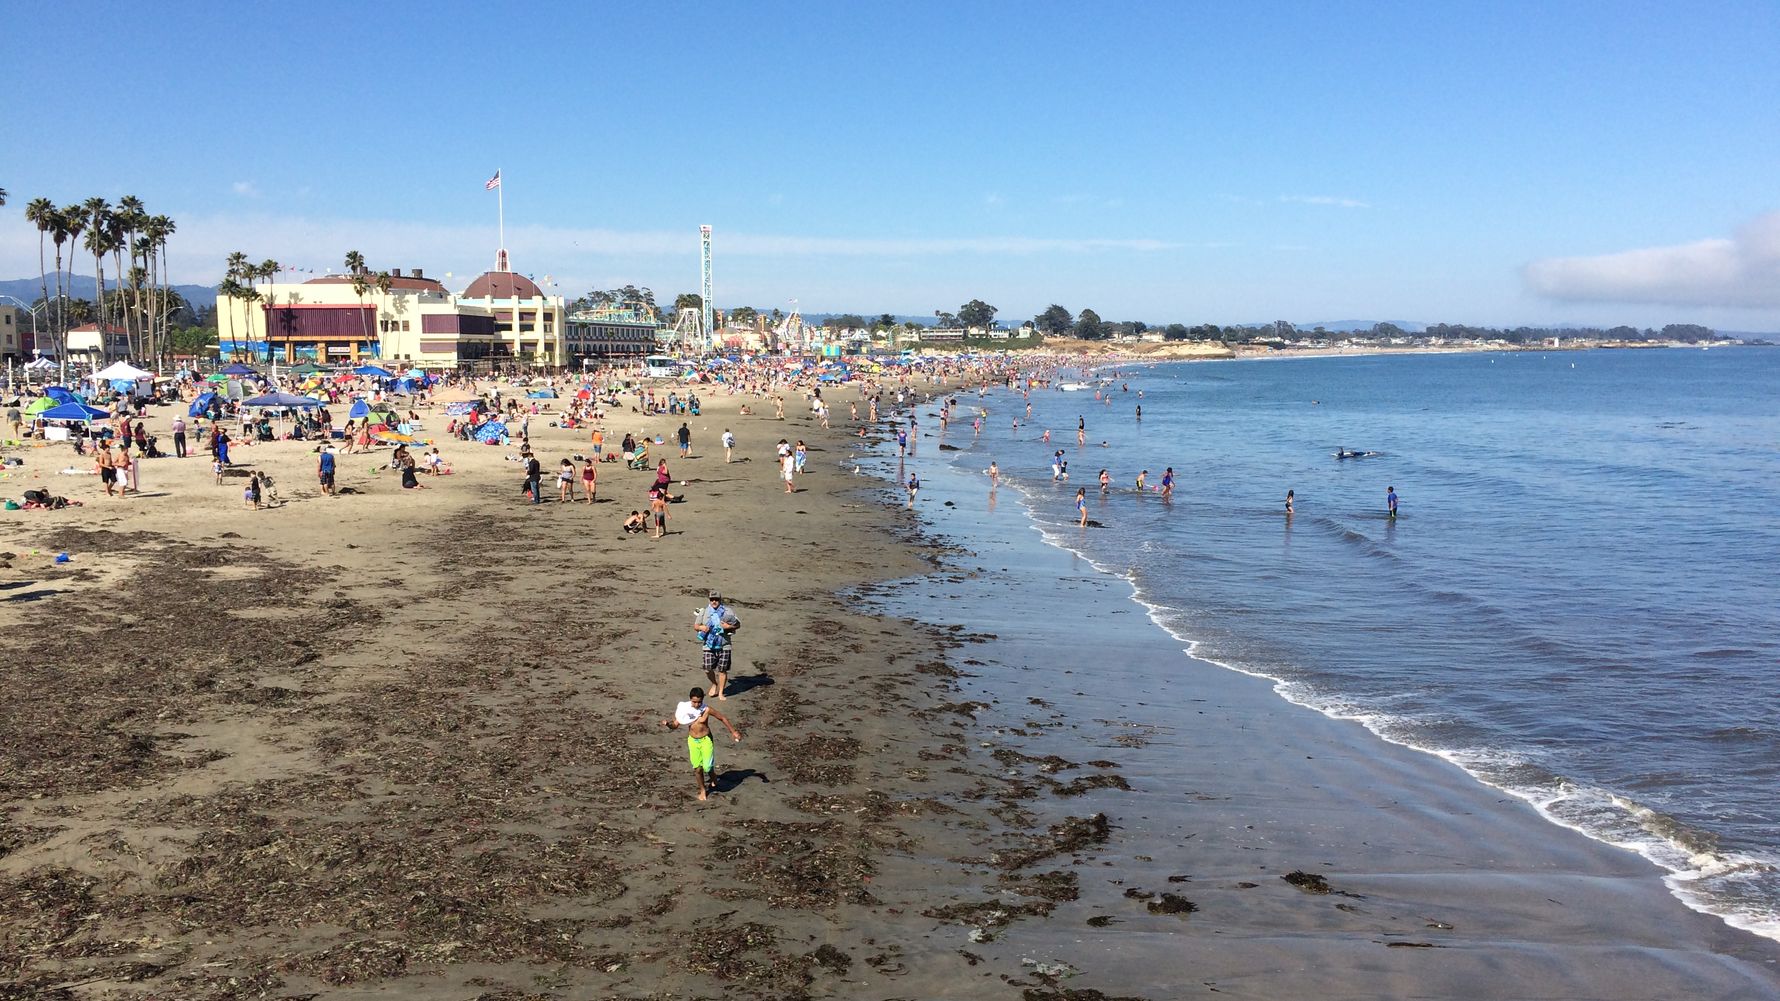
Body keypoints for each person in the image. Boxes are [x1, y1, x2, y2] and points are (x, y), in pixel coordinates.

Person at [661, 687, 741, 801]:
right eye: (694, 702)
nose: (697, 704)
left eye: (699, 702)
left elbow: (722, 718)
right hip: (693, 741)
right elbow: (675, 725)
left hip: (706, 739)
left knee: (708, 767)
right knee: (697, 768)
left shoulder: (706, 709)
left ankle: (713, 778)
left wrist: (733, 732)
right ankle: (703, 790)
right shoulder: (685, 710)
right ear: (690, 700)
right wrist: (668, 724)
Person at [695, 591, 742, 700]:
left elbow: (738, 624)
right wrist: (702, 628)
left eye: (716, 599)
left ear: (720, 600)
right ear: (709, 600)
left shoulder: (728, 611)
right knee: (707, 668)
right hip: (708, 645)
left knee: (722, 670)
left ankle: (721, 692)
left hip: (724, 644)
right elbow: (696, 626)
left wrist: (728, 627)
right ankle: (714, 683)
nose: (714, 601)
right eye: (712, 599)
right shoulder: (704, 612)